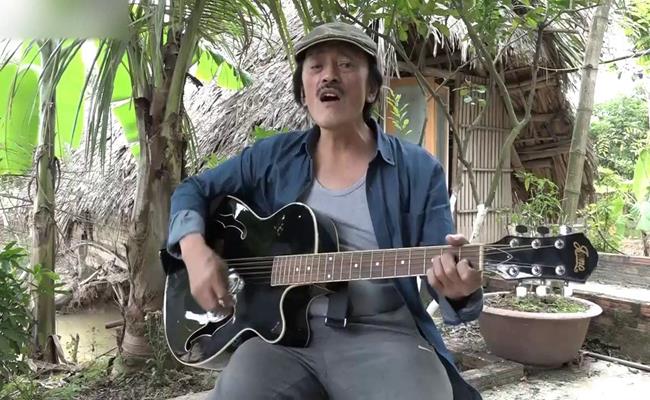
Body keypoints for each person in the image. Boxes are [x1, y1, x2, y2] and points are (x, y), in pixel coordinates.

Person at [167, 21, 484, 400]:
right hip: (280, 341)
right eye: (316, 66)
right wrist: (194, 250)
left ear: (372, 88)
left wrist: (458, 291)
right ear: (303, 90)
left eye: (346, 65)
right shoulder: (272, 158)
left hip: (384, 335)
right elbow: (193, 190)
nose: (329, 75)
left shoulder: (418, 170)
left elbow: (442, 270)